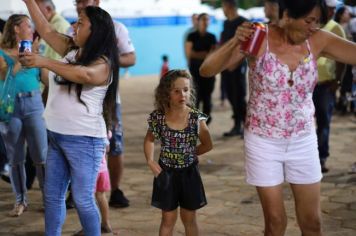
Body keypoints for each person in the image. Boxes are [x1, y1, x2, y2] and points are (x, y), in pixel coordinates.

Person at [200, 0, 356, 235]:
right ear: (286, 16)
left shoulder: (318, 39)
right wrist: (235, 40)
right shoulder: (259, 37)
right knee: (275, 222)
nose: (312, 27)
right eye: (308, 20)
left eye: (317, 21)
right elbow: (207, 70)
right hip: (263, 142)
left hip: (303, 139)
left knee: (311, 222)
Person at [21, 0, 119, 235]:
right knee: (53, 196)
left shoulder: (103, 63)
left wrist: (44, 61)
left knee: (84, 199)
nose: (74, 26)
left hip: (84, 140)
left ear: (94, 30)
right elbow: (45, 29)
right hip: (55, 135)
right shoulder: (72, 50)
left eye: (81, 23)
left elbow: (84, 74)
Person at [72, 0, 136, 208]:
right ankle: (78, 191)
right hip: (77, 98)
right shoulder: (71, 28)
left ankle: (115, 189)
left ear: (97, 2)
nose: (80, 4)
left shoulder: (116, 28)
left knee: (114, 145)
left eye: (85, 0)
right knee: (77, 146)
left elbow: (131, 58)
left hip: (108, 99)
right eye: (77, 1)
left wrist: (105, 56)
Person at [144, 69, 213, 236]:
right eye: (176, 91)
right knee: (167, 220)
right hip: (166, 175)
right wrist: (151, 161)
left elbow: (207, 144)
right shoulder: (159, 118)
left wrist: (191, 153)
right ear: (166, 93)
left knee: (189, 219)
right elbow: (149, 140)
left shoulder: (196, 119)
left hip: (189, 175)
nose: (182, 94)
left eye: (186, 90)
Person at [0, 14, 47, 217]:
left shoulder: (36, 51)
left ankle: (49, 198)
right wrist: (25, 56)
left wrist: (41, 59)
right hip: (11, 108)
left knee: (41, 156)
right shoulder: (2, 53)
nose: (31, 28)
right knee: (15, 158)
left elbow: (46, 78)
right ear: (16, 29)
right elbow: (6, 77)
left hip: (34, 104)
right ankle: (21, 201)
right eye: (28, 25)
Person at [313, 0, 346, 173]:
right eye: (330, 8)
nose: (332, 11)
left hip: (326, 86)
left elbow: (343, 58)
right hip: (306, 87)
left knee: (323, 123)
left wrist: (337, 81)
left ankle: (321, 158)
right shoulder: (310, 25)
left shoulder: (335, 28)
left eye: (334, 8)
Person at [73, 131, 116, 236]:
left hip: (91, 170)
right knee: (101, 196)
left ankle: (89, 227)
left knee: (86, 200)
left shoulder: (87, 129)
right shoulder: (105, 131)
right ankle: (106, 224)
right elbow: (107, 148)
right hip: (103, 170)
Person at [220, 0, 248, 137]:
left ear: (229, 6)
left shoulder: (244, 22)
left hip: (237, 67)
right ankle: (237, 125)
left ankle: (247, 127)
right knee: (231, 95)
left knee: (239, 96)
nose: (222, 9)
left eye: (223, 6)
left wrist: (235, 63)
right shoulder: (226, 23)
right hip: (226, 66)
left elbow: (246, 47)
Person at [185, 13, 217, 125]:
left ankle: (205, 123)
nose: (205, 22)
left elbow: (213, 55)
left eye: (207, 20)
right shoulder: (191, 36)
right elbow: (189, 53)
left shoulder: (212, 36)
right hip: (195, 71)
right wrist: (205, 54)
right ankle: (194, 122)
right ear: (198, 21)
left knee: (207, 97)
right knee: (196, 97)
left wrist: (198, 54)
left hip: (208, 72)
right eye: (203, 19)